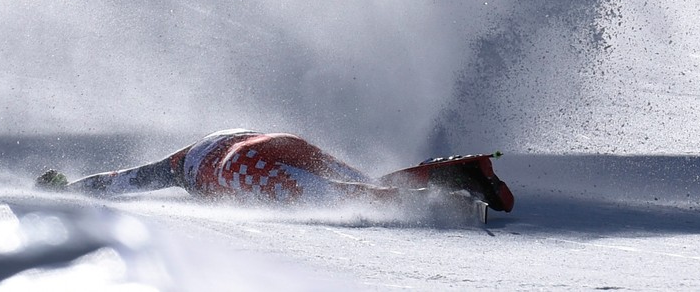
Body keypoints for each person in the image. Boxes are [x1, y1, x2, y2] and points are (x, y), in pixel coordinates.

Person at [36, 129, 513, 211]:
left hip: (240, 166)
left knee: (342, 196)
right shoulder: (194, 148)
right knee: (364, 180)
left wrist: (67, 189)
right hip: (277, 140)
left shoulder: (179, 167)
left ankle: (444, 198)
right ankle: (448, 170)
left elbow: (121, 181)